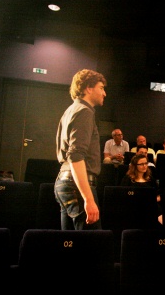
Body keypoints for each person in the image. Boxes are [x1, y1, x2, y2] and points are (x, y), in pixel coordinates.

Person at [54, 69, 107, 230]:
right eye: (101, 87)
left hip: (64, 182)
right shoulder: (85, 112)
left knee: (69, 245)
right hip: (76, 186)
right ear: (88, 88)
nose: (104, 93)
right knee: (89, 248)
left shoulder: (70, 110)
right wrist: (89, 200)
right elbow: (75, 155)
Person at [120, 154, 162, 224]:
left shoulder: (150, 179)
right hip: (133, 207)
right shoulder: (128, 179)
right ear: (135, 166)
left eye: (146, 163)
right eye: (141, 164)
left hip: (149, 206)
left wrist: (153, 199)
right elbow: (122, 195)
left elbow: (158, 195)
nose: (145, 166)